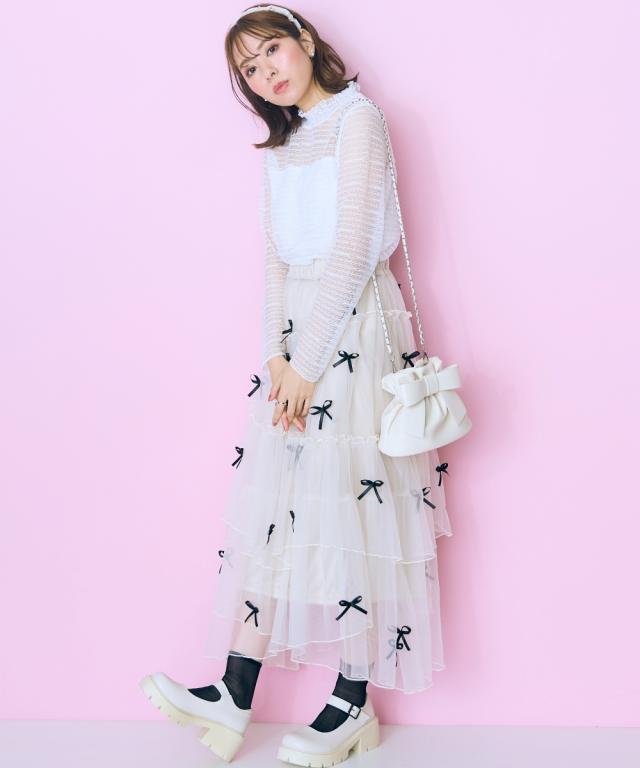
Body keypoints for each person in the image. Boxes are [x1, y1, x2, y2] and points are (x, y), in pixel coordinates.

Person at [140, 4, 453, 764]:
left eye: (272, 50)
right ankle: (234, 691)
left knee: (352, 507)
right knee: (275, 506)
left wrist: (306, 365)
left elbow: (352, 252)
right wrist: (276, 361)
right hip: (298, 344)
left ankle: (352, 700)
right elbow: (277, 259)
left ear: (306, 41)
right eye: (249, 69)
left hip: (355, 327)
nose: (266, 73)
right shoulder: (282, 146)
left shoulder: (358, 121)